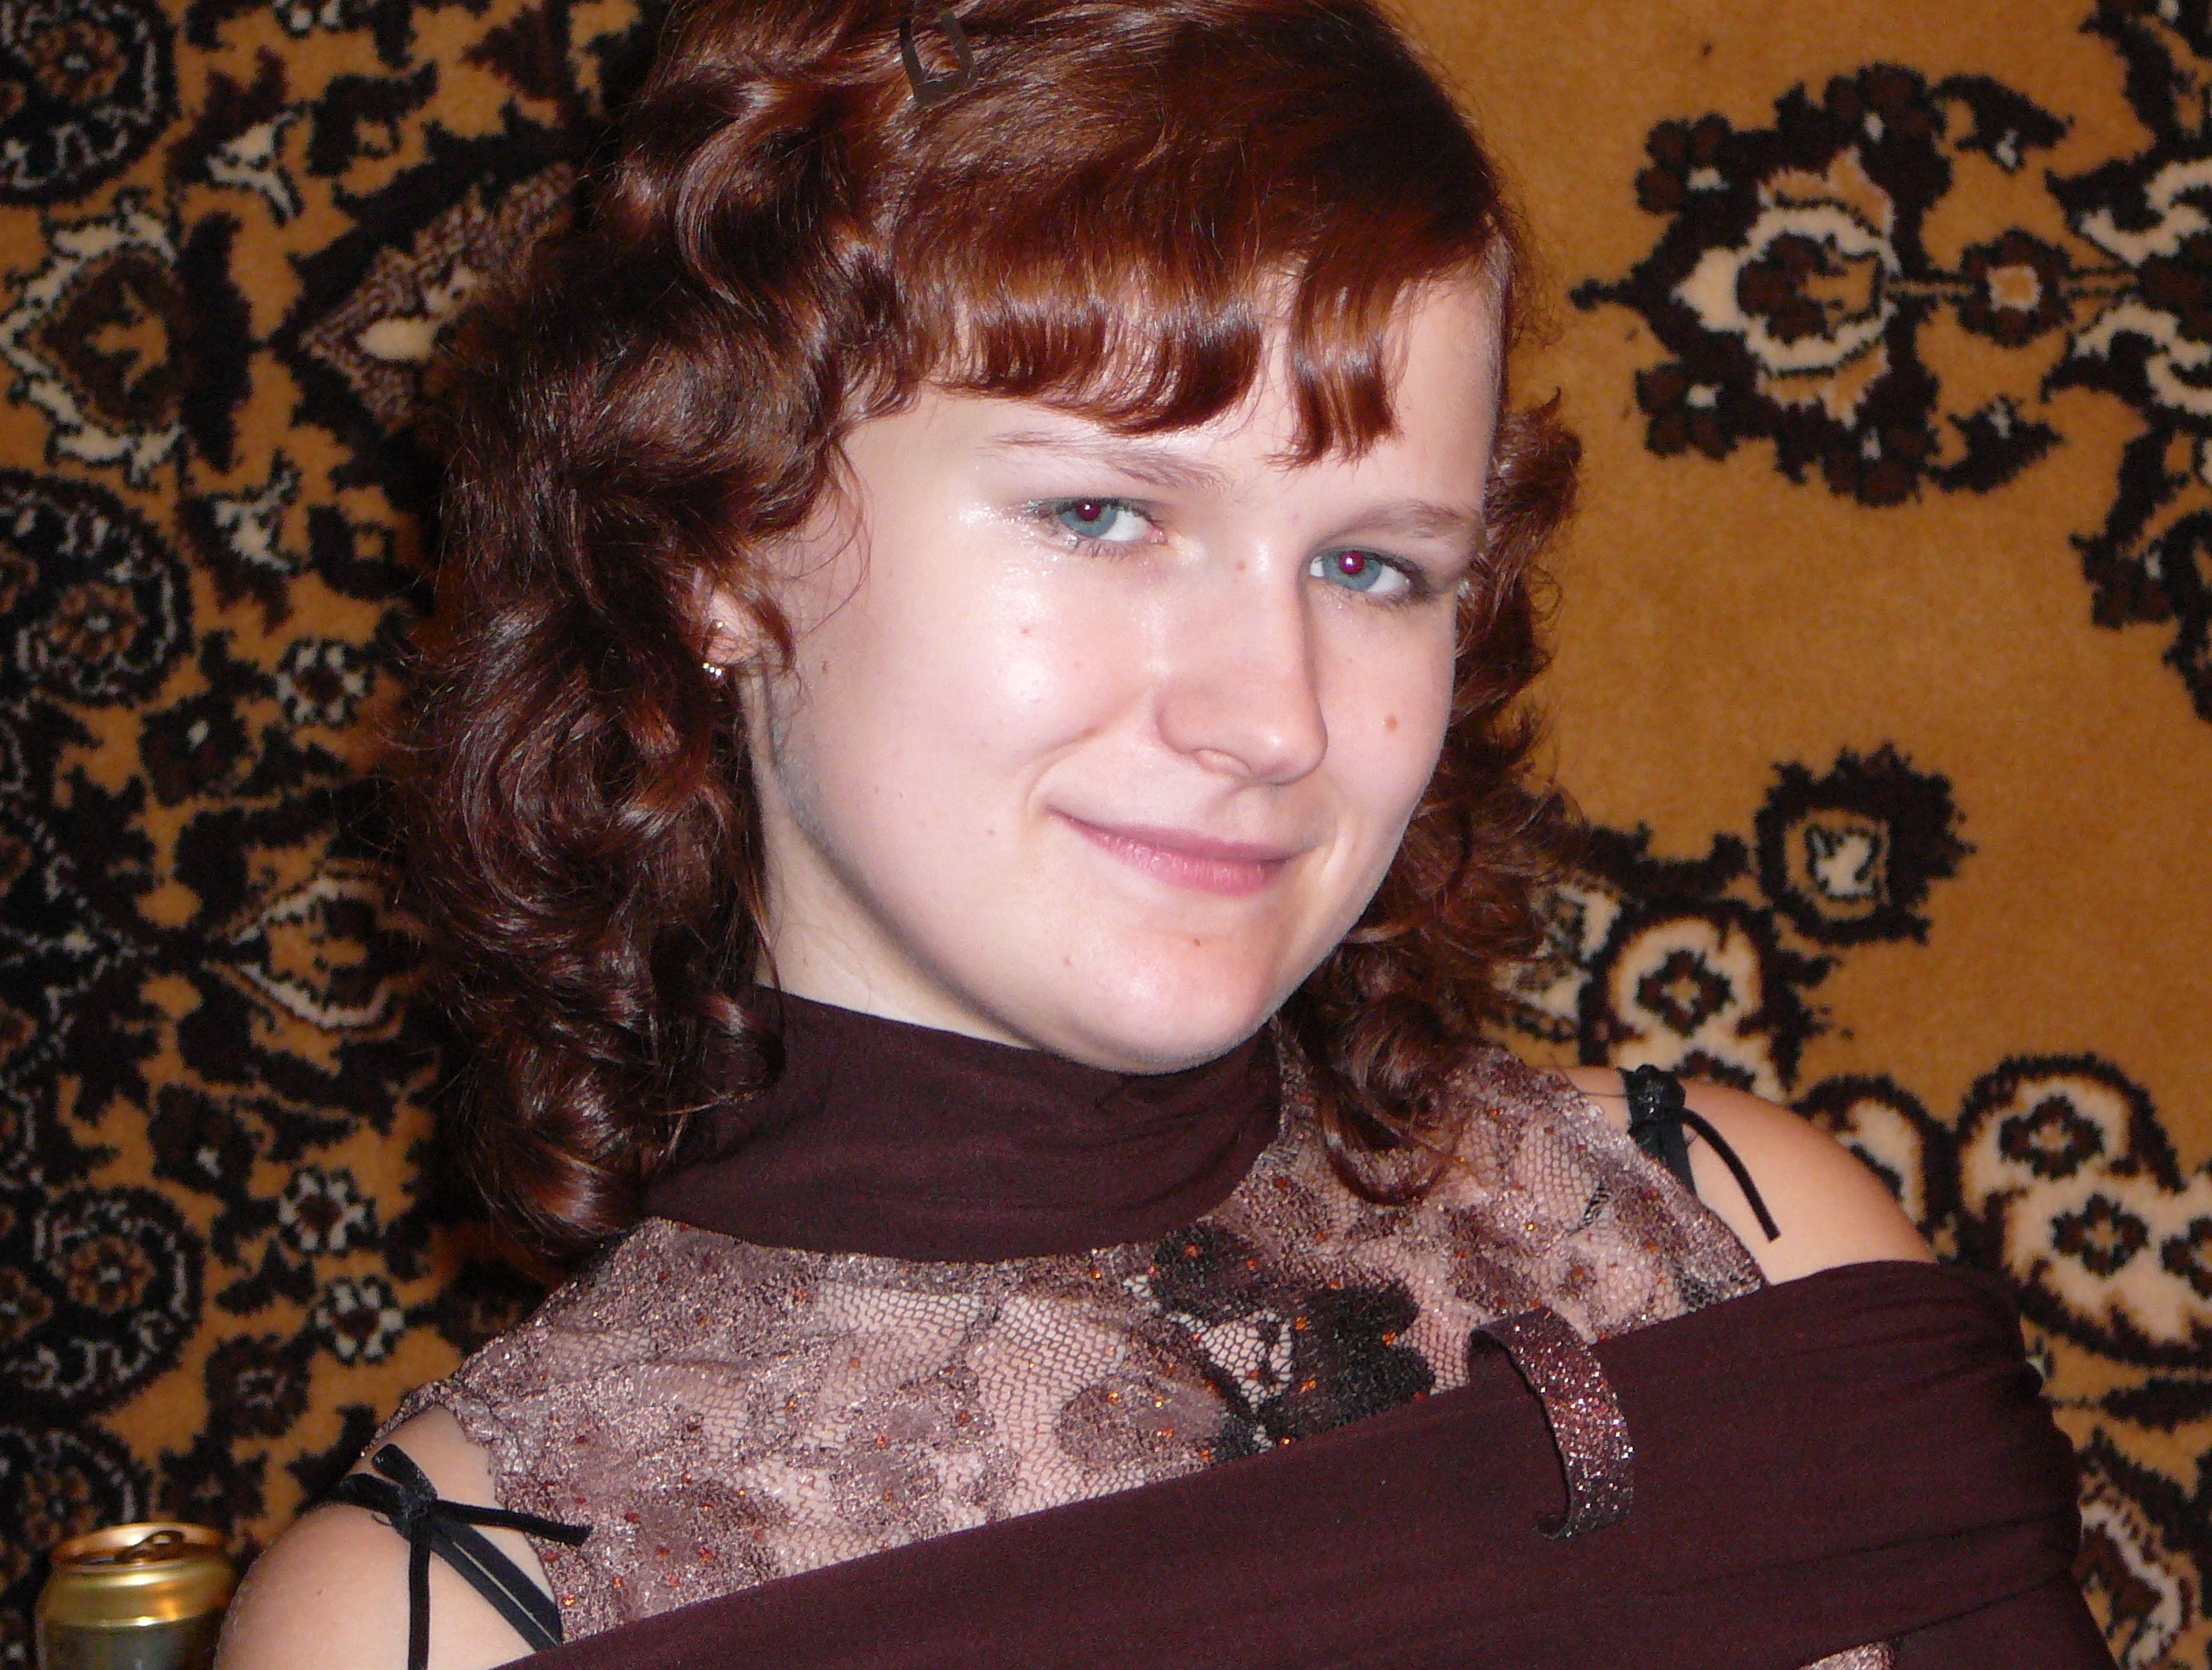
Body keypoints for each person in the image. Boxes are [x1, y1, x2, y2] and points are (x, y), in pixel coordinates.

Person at [216, 0, 2107, 1666]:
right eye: (1102, 516)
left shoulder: (1748, 1249)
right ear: (714, 541)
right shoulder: (452, 1620)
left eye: (1369, 565)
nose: (1273, 717)